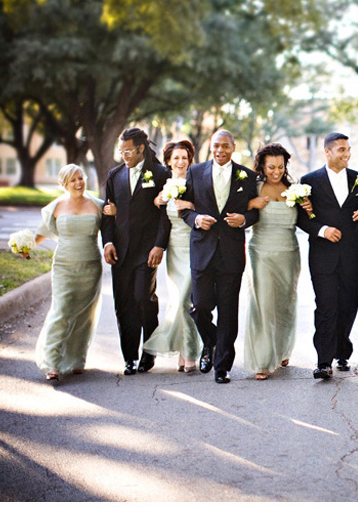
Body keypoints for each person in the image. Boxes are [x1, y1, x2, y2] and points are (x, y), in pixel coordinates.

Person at [178, 129, 260, 384]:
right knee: (199, 305)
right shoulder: (194, 172)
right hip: (202, 250)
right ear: (210, 147)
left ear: (233, 147)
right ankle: (210, 342)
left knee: (228, 310)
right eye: (216, 146)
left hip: (231, 253)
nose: (220, 150)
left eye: (225, 146)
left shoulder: (247, 176)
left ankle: (222, 366)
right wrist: (196, 219)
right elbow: (183, 208)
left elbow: (255, 212)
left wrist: (244, 219)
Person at [297, 132, 358, 380]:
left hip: (352, 254)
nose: (347, 153)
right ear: (327, 152)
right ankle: (323, 361)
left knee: (348, 306)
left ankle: (342, 351)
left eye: (348, 149)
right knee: (326, 306)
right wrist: (322, 230)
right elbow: (301, 218)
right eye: (341, 149)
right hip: (322, 255)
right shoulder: (308, 181)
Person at [101, 127, 170, 375]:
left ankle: (148, 352)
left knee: (143, 299)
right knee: (124, 304)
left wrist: (160, 245)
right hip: (120, 252)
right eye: (121, 151)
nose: (124, 155)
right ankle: (129, 357)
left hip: (147, 250)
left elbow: (165, 215)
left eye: (128, 150)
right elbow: (107, 215)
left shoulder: (161, 173)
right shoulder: (114, 175)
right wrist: (107, 243)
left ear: (141, 148)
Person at [29, 165, 105, 381]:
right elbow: (41, 233)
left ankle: (76, 359)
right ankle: (51, 362)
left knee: (84, 315)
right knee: (61, 311)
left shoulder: (98, 205)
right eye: (73, 180)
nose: (79, 183)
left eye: (81, 178)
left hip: (91, 266)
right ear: (64, 184)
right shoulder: (55, 207)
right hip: (63, 266)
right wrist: (26, 248)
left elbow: (112, 231)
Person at [140, 140, 201, 373]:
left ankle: (190, 352)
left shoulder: (196, 181)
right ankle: (184, 351)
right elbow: (160, 217)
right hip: (174, 249)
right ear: (168, 161)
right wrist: (158, 201)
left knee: (187, 301)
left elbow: (206, 207)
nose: (181, 162)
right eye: (176, 158)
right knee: (178, 301)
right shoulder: (164, 184)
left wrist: (191, 203)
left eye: (184, 157)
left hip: (194, 246)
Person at [243, 143, 303, 380]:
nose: (276, 171)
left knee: (285, 303)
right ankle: (262, 359)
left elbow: (306, 220)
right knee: (263, 303)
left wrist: (307, 208)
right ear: (262, 166)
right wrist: (251, 204)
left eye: (280, 166)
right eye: (271, 167)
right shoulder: (254, 188)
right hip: (262, 252)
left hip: (289, 252)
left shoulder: (294, 189)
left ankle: (282, 349)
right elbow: (236, 210)